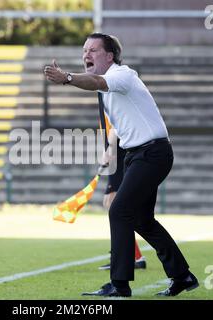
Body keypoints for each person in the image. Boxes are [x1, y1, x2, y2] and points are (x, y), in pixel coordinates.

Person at [44, 33, 198, 297]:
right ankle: (182, 276)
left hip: (153, 154)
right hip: (137, 155)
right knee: (141, 219)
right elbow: (116, 121)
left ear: (110, 56)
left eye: (93, 50)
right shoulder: (107, 88)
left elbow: (95, 81)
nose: (86, 55)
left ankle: (120, 284)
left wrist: (67, 78)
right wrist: (110, 152)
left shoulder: (123, 75)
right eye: (84, 50)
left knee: (119, 211)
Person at [98, 122, 147, 271]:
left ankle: (129, 257)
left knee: (117, 209)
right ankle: (134, 256)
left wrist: (109, 151)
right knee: (115, 208)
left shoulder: (109, 99)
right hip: (118, 160)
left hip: (120, 159)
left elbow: (115, 127)